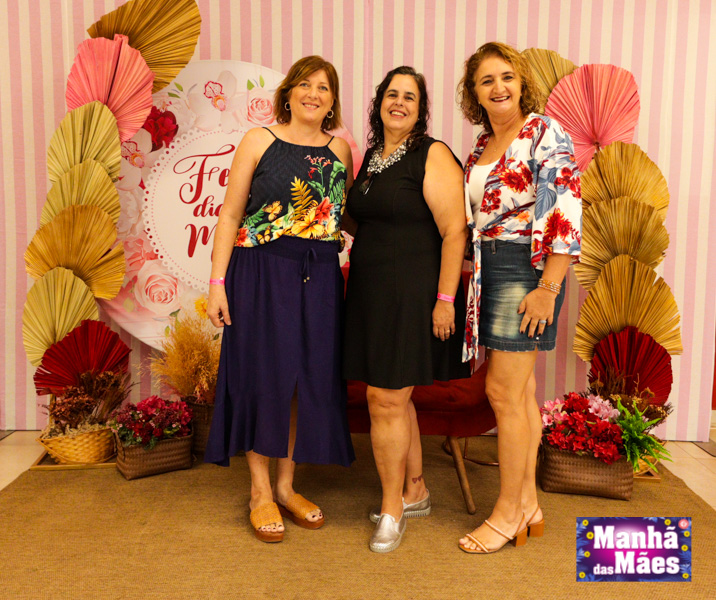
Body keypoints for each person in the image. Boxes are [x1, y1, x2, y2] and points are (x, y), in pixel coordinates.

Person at [204, 55, 355, 544]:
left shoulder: (340, 150)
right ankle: (259, 491)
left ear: (332, 101)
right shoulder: (258, 140)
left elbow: (344, 216)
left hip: (320, 276)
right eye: (305, 84)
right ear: (288, 93)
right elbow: (230, 215)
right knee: (262, 377)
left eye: (324, 87)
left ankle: (287, 487)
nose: (314, 93)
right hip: (260, 272)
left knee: (302, 381)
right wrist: (217, 283)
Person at [456, 42, 581, 554]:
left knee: (503, 393)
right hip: (488, 268)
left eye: (506, 76)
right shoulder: (481, 146)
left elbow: (564, 211)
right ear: (474, 92)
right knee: (521, 393)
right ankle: (528, 504)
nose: (499, 87)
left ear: (521, 83)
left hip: (525, 268)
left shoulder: (544, 131)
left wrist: (548, 288)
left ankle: (507, 512)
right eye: (486, 80)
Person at [343, 66, 470, 553]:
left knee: (385, 399)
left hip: (413, 293)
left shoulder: (431, 154)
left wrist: (444, 300)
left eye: (409, 97)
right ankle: (415, 490)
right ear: (379, 103)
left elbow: (455, 230)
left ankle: (392, 508)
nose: (399, 102)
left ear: (421, 110)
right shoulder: (373, 158)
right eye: (391, 94)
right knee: (396, 398)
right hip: (371, 293)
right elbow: (367, 221)